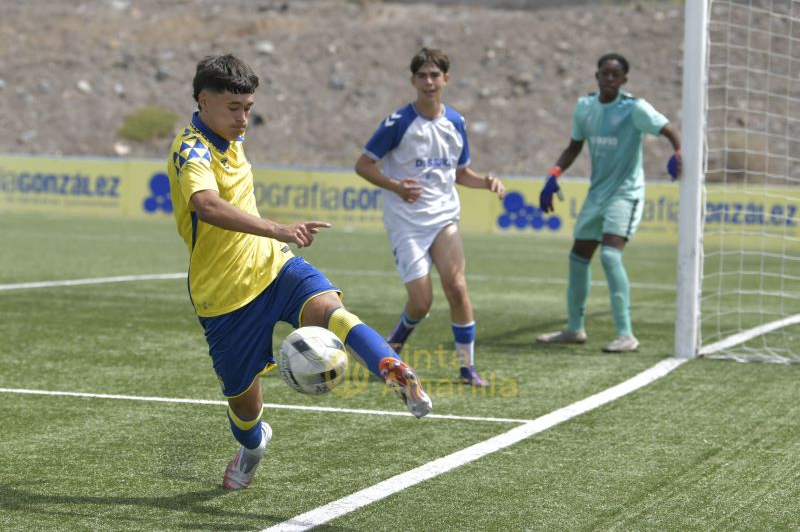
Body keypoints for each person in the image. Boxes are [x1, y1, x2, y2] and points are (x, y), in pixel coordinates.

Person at [166, 54, 432, 491]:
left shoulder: (231, 136)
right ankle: (253, 446)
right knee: (244, 407)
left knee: (330, 310)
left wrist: (275, 238)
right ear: (203, 101)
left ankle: (392, 368)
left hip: (274, 265)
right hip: (224, 295)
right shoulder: (190, 148)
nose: (243, 119)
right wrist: (278, 227)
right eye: (234, 108)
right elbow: (207, 206)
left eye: (248, 108)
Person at [354, 48, 505, 388]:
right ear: (413, 81)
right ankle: (393, 344)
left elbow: (461, 172)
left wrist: (486, 182)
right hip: (406, 222)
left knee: (457, 287)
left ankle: (467, 369)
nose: (429, 82)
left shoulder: (456, 122)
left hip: (443, 218)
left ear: (446, 79)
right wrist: (396, 186)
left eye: (435, 75)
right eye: (422, 76)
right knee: (421, 302)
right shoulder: (398, 122)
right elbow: (363, 165)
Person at [536, 53, 681, 352]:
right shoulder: (585, 107)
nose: (610, 78)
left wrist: (678, 152)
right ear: (597, 76)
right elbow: (574, 146)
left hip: (625, 193)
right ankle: (574, 329)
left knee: (610, 256)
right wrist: (554, 174)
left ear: (624, 79)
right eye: (605, 73)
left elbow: (670, 130)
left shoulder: (635, 108)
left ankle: (626, 334)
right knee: (577, 258)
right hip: (597, 194)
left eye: (616, 75)